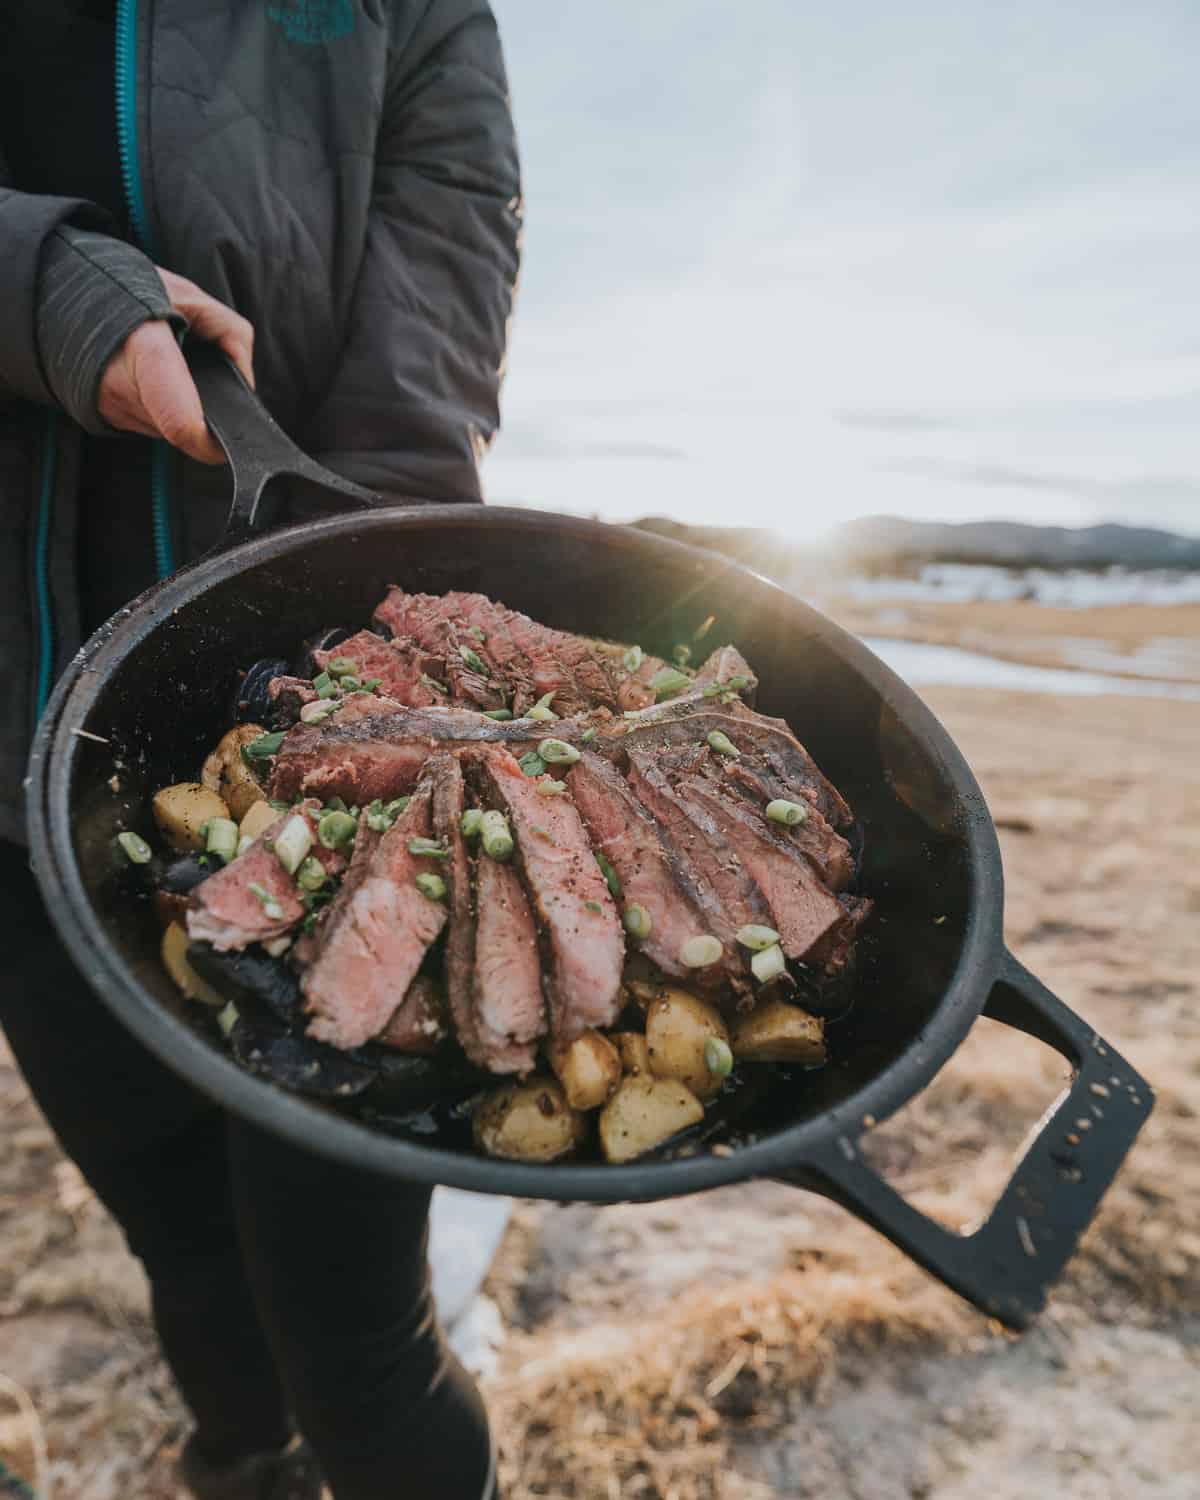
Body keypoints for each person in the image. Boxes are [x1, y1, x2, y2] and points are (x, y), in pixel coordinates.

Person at [0, 3, 521, 1497]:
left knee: (360, 1339)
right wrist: (53, 290)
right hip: (12, 748)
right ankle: (235, 1457)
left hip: (307, 682)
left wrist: (384, 584)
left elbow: (434, 310)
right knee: (178, 1237)